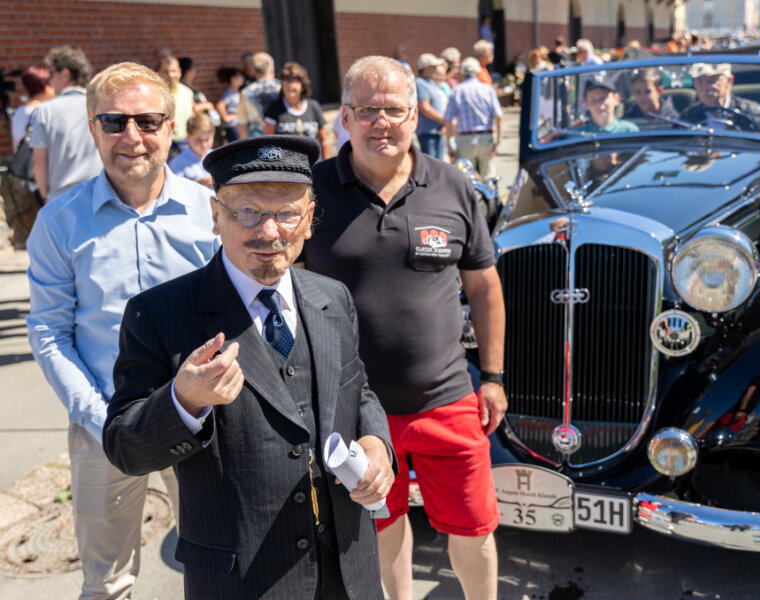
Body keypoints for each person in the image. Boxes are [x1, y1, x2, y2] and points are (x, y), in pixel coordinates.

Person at [103, 135, 394, 599]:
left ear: (310, 220)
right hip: (242, 583)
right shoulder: (158, 314)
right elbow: (124, 447)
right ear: (216, 216)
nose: (270, 232)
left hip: (348, 570)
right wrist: (184, 402)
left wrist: (377, 443)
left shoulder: (332, 297)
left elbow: (358, 392)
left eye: (287, 214)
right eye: (248, 213)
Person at [304, 55, 506, 600]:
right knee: (381, 528)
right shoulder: (310, 192)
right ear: (344, 117)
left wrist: (492, 376)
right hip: (352, 411)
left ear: (416, 115)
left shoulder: (452, 187)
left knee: (473, 528)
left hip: (446, 398)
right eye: (367, 109)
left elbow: (485, 287)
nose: (381, 122)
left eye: (393, 109)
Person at [26, 61, 219, 600]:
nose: (132, 137)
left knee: (219, 568)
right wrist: (97, 418)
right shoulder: (60, 222)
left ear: (171, 126)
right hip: (103, 424)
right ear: (92, 129)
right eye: (114, 122)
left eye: (148, 121)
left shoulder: (210, 214)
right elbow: (48, 331)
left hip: (201, 424)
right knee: (107, 584)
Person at [30, 45, 103, 202]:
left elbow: (38, 162)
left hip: (62, 199)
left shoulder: (45, 111)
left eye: (51, 74)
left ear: (65, 74)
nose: (49, 80)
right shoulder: (102, 105)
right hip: (102, 195)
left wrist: (45, 196)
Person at [443, 57, 504, 179]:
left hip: (465, 139)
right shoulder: (488, 89)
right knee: (488, 176)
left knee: (466, 177)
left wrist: (449, 144)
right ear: (477, 72)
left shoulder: (457, 91)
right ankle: (490, 197)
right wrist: (498, 141)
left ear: (462, 72)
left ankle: (471, 198)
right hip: (486, 137)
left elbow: (448, 119)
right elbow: (499, 116)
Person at [679, 63, 760, 135]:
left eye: (712, 80)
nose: (705, 88)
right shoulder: (687, 117)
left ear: (729, 81)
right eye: (699, 82)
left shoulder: (756, 115)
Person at [262, 61, 329, 157]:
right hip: (287, 169)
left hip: (314, 167)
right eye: (286, 80)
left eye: (293, 81)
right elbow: (267, 144)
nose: (289, 85)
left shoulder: (314, 106)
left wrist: (327, 166)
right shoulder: (274, 109)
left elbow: (324, 141)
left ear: (302, 84)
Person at [158, 55, 202, 151]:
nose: (170, 75)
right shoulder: (156, 94)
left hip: (186, 144)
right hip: (166, 145)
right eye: (166, 72)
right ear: (160, 73)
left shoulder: (188, 92)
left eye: (173, 71)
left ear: (179, 72)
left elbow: (192, 115)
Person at [237, 52, 281, 138]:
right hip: (283, 141)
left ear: (254, 71)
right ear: (272, 69)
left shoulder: (246, 92)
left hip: (258, 143)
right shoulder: (283, 88)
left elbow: (242, 125)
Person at [11, 65, 54, 152]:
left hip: (25, 164)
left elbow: (15, 147)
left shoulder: (19, 112)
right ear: (47, 88)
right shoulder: (46, 111)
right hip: (44, 163)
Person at [415, 53, 448, 159]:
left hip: (437, 130)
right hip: (427, 133)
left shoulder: (431, 83)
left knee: (439, 165)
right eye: (433, 66)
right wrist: (444, 120)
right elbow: (425, 108)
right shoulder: (420, 83)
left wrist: (443, 124)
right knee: (431, 164)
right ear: (425, 68)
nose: (436, 69)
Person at [168, 113, 215, 187]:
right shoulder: (178, 162)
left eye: (207, 139)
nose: (204, 144)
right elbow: (174, 189)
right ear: (188, 137)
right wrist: (199, 183)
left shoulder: (216, 157)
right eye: (199, 140)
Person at [216, 66, 244, 143]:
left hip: (238, 125)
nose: (242, 78)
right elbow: (220, 105)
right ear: (233, 78)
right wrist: (226, 117)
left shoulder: (237, 91)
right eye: (239, 76)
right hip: (232, 126)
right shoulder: (228, 93)